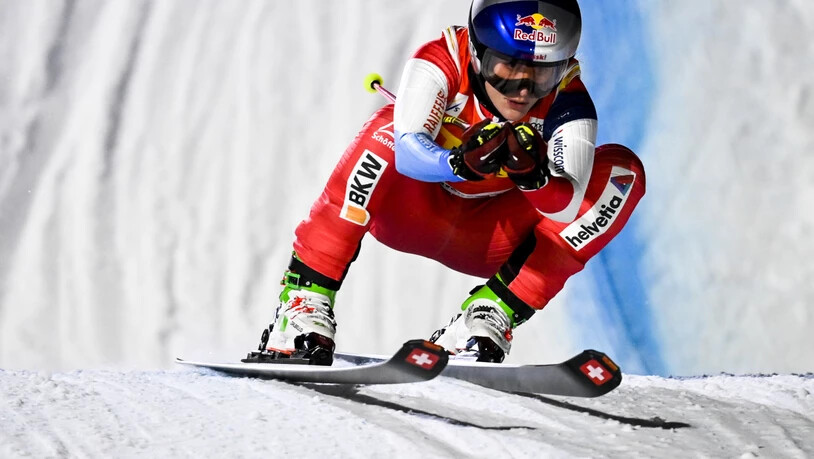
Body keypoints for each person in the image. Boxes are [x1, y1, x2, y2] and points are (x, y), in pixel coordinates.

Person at [257, 0, 646, 364]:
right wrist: (459, 162)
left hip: (494, 238)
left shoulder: (569, 100)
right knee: (385, 130)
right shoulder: (441, 59)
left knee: (622, 173)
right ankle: (304, 299)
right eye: (506, 66)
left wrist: (534, 178)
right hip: (413, 211)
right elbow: (408, 151)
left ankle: (490, 313)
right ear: (476, 53)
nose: (524, 89)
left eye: (543, 73)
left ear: (564, 66)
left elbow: (566, 204)